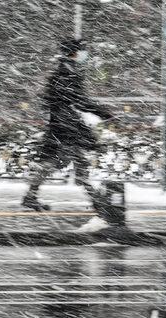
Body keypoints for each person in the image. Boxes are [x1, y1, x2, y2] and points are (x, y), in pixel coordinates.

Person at [22, 39, 114, 212]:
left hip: (60, 121)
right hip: (65, 124)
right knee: (72, 159)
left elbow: (55, 98)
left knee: (55, 160)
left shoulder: (64, 71)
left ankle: (31, 196)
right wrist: (103, 113)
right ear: (75, 53)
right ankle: (96, 199)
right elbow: (79, 101)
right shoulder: (68, 73)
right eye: (82, 51)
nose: (84, 54)